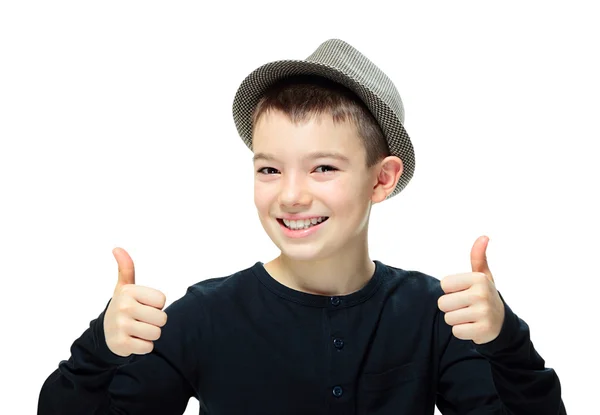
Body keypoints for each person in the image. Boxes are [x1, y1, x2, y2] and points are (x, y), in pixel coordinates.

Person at [38, 39, 566, 414]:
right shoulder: (204, 317)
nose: (290, 195)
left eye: (323, 168)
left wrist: (504, 340)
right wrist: (101, 349)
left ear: (381, 180)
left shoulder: (432, 316)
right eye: (269, 168)